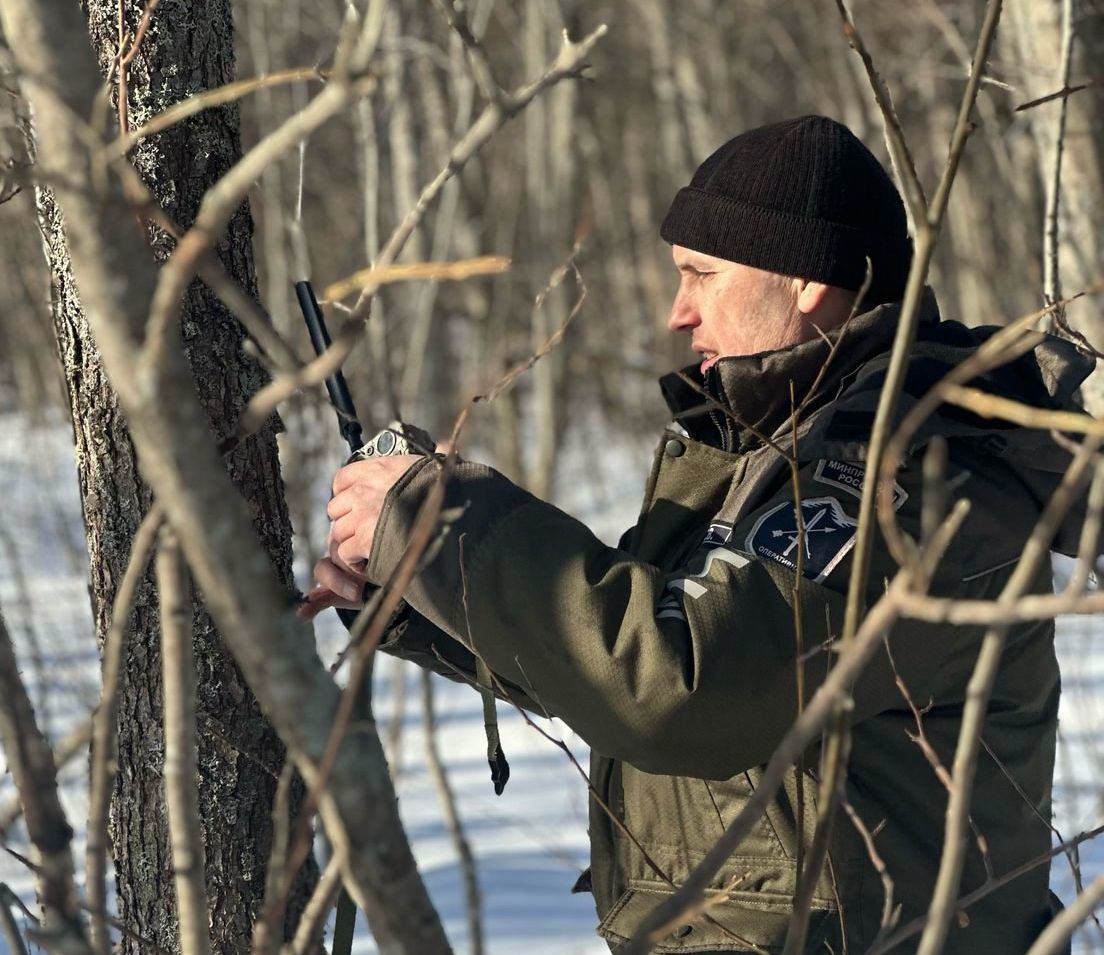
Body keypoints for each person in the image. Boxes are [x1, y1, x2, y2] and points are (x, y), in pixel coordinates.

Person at [303, 116, 1088, 953]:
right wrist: (422, 593)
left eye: (703, 275)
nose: (679, 313)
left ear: (804, 282)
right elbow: (620, 663)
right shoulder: (771, 449)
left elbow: (675, 691)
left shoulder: (899, 475)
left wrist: (448, 525)